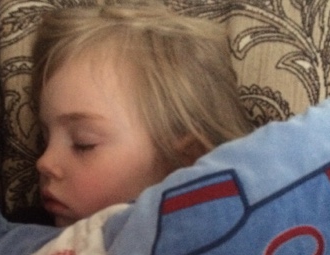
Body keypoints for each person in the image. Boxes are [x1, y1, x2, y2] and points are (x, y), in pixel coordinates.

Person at [31, 2, 253, 227]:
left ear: (184, 161)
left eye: (83, 144)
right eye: (45, 139)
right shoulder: (21, 233)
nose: (44, 162)